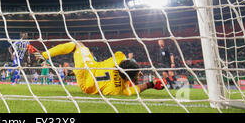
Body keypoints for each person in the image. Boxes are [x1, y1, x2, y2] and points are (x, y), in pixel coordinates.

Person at [32, 41, 164, 96]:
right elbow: (134, 90)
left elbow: (123, 59)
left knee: (77, 45)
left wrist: (134, 70)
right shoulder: (117, 90)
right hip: (87, 86)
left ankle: (43, 55)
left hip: (88, 69)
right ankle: (73, 72)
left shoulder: (118, 59)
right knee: (94, 61)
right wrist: (150, 84)